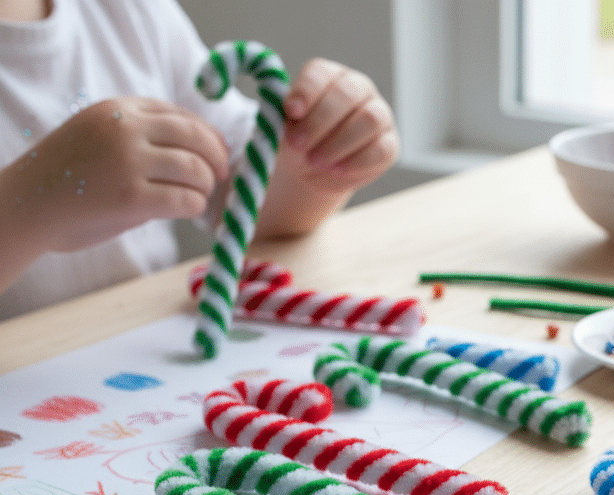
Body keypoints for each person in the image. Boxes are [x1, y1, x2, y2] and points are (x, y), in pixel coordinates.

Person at [0, 0, 399, 320]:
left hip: (133, 359)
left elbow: (244, 202)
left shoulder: (128, 12)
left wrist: (317, 159)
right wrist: (30, 202)